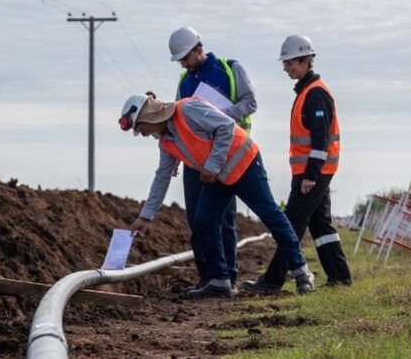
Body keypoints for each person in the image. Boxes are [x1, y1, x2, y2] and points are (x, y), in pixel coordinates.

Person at [123, 93, 315, 298]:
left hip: (245, 165)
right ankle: (219, 280)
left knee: (270, 215)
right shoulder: (166, 143)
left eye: (140, 127)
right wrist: (146, 216)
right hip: (220, 177)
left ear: (150, 116)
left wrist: (212, 166)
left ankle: (302, 272)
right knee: (203, 221)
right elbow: (162, 178)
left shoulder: (187, 110)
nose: (143, 134)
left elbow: (226, 126)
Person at [243, 35, 352, 293]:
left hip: (313, 172)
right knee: (320, 225)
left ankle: (273, 280)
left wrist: (310, 175)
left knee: (291, 223)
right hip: (313, 171)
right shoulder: (307, 91)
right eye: (285, 63)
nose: (286, 68)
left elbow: (320, 139)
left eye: (290, 63)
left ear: (305, 62)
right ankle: (340, 277)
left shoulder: (315, 94)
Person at [163, 27, 258, 290]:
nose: (183, 64)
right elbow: (177, 118)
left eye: (185, 58)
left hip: (226, 156)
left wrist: (220, 119)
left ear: (198, 49)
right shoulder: (184, 80)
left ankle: (228, 277)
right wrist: (175, 158)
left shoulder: (230, 69)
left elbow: (250, 102)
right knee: (197, 219)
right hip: (195, 160)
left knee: (224, 219)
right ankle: (208, 276)